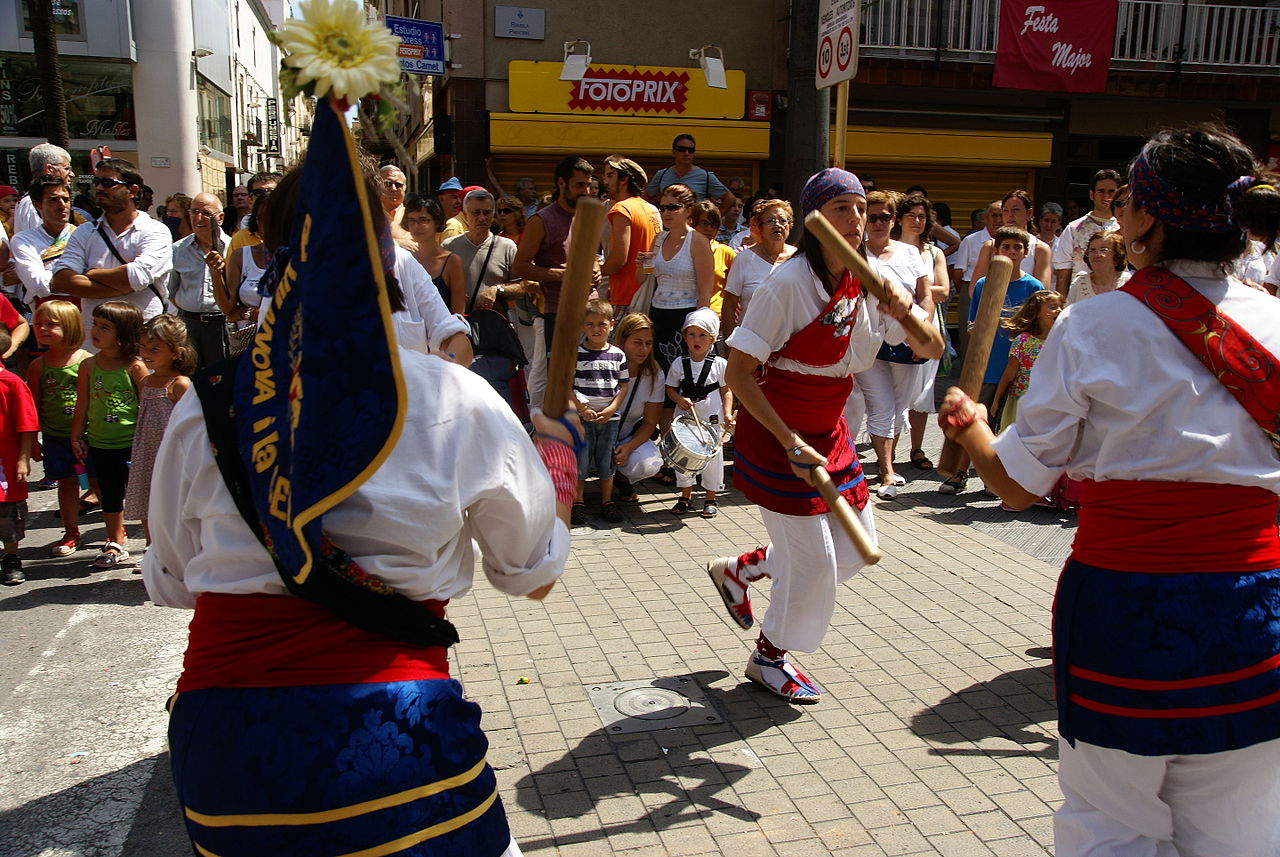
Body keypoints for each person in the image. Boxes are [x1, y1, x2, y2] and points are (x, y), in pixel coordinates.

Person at [142, 95, 576, 856]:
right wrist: (561, 469)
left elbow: (174, 580)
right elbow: (530, 575)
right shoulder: (454, 397)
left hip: (226, 758)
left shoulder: (205, 404)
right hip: (391, 737)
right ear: (390, 259)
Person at [937, 123, 1280, 857]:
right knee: (1245, 830)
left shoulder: (1094, 324)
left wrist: (969, 428)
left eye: (1125, 203)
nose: (1118, 218)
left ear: (1148, 219)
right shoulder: (1277, 321)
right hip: (1256, 609)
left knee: (1110, 825)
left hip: (1128, 610)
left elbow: (1018, 486)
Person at [706, 168, 942, 701]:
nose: (857, 220)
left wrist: (903, 310)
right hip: (777, 432)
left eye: (862, 209)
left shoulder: (876, 279)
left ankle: (742, 569)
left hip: (829, 428)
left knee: (856, 550)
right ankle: (769, 659)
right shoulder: (787, 285)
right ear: (815, 222)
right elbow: (739, 372)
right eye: (841, 209)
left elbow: (931, 349)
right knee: (813, 565)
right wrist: (789, 441)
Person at [940, 226, 1044, 496]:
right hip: (987, 364)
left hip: (1017, 368)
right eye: (1006, 247)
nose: (1011, 252)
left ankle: (994, 478)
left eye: (1017, 248)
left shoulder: (1034, 287)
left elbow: (1037, 327)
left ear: (1026, 252)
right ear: (996, 251)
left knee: (1006, 425)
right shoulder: (984, 284)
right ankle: (959, 473)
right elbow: (973, 324)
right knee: (973, 417)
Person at [853, 191, 932, 498]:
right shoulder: (855, 253)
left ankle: (888, 464)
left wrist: (921, 333)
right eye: (871, 217)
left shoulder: (909, 253)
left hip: (906, 341)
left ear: (894, 219)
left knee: (899, 409)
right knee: (880, 407)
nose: (877, 223)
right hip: (868, 342)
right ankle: (886, 471)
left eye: (884, 217)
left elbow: (925, 295)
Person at [51, 157, 172, 345]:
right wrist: (123, 286)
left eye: (108, 183)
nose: (99, 188)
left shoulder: (155, 231)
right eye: (97, 182)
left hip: (142, 344)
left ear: (132, 191)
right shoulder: (85, 232)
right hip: (95, 346)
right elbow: (61, 281)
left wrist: (91, 274)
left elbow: (136, 277)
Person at [71, 301, 146, 569]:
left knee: (142, 496)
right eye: (95, 324)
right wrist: (77, 436)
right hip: (100, 443)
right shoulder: (88, 365)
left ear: (124, 334)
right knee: (109, 494)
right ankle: (116, 541)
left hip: (132, 445)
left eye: (105, 327)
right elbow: (82, 404)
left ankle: (153, 546)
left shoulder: (135, 367)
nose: (96, 331)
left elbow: (146, 406)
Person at [26, 300, 92, 558]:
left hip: (91, 436)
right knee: (66, 483)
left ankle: (113, 530)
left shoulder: (88, 361)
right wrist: (33, 440)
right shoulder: (38, 366)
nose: (42, 328)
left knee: (100, 484)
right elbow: (32, 407)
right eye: (38, 323)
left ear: (71, 326)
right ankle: (71, 530)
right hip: (56, 437)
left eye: (51, 324)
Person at [513, 156, 597, 355]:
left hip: (592, 312)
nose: (585, 191)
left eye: (588, 185)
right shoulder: (541, 220)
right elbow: (519, 267)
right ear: (561, 183)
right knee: (562, 383)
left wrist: (596, 268)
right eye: (579, 185)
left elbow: (591, 254)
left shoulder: (587, 214)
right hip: (560, 313)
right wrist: (563, 275)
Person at [893, 192, 951, 473]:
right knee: (891, 392)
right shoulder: (888, 248)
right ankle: (887, 454)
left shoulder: (933, 252)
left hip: (926, 325)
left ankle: (916, 448)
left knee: (923, 391)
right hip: (893, 325)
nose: (916, 221)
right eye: (911, 216)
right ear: (899, 220)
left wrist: (915, 291)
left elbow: (944, 290)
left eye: (921, 217)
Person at [124, 314, 193, 546]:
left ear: (175, 352)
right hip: (147, 452)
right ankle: (152, 547)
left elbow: (191, 424)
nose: (146, 353)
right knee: (147, 498)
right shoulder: (145, 382)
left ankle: (175, 548)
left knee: (172, 502)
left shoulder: (180, 384)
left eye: (155, 349)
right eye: (143, 346)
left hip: (172, 453)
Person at [665, 307, 732, 518]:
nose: (696, 339)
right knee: (684, 456)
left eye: (702, 335)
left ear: (712, 339)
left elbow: (727, 390)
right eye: (691, 334)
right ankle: (685, 495)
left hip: (712, 417)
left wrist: (728, 413)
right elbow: (670, 388)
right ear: (685, 337)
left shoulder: (720, 364)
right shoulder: (679, 364)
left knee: (713, 457)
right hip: (686, 418)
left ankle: (710, 497)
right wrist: (678, 399)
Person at [572, 299, 629, 526]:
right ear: (583, 326)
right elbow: (568, 386)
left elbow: (623, 385)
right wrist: (582, 408)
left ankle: (607, 501)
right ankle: (578, 501)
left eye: (602, 324)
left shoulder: (618, 355)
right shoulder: (577, 353)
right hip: (583, 417)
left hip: (609, 417)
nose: (596, 329)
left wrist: (612, 408)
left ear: (612, 325)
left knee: (607, 460)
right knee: (581, 460)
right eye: (590, 324)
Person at [648, 183, 714, 375]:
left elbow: (705, 291)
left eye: (673, 207)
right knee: (659, 373)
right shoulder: (658, 239)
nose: (666, 213)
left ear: (688, 210)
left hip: (686, 315)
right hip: (658, 313)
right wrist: (641, 265)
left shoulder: (698, 241)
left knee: (683, 375)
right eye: (662, 208)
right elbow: (644, 279)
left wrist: (699, 328)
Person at [167, 192, 229, 367]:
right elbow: (171, 290)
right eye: (194, 212)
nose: (198, 218)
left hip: (222, 326)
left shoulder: (234, 248)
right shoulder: (178, 249)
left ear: (220, 218)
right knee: (190, 378)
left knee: (220, 379)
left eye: (206, 213)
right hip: (188, 325)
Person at [720, 198, 795, 340]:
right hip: (750, 341)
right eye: (770, 221)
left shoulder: (799, 260)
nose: (777, 224)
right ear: (759, 227)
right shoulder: (743, 259)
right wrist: (730, 345)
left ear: (790, 225)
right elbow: (729, 306)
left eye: (782, 220)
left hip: (788, 343)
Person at [990, 290, 1063, 433]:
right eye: (1052, 307)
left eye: (1061, 306)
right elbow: (1010, 374)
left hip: (1051, 401)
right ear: (1037, 313)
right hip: (1023, 401)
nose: (1059, 310)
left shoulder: (1063, 339)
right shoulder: (1023, 341)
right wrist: (996, 400)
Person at [610, 312, 665, 501]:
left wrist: (628, 447)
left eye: (648, 343)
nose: (643, 349)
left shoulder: (655, 375)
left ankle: (622, 477)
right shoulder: (606, 366)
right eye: (637, 342)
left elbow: (650, 423)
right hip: (598, 433)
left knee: (650, 464)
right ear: (623, 340)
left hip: (626, 437)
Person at [0, 326, 37, 586]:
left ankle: (11, 557)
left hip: (5, 463)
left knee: (9, 515)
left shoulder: (12, 384)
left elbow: (26, 425)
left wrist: (23, 458)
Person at [9, 175, 81, 309]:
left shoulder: (83, 235)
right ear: (37, 204)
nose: (62, 205)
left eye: (65, 199)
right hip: (46, 314)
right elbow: (37, 285)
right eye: (53, 200)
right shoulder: (24, 240)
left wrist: (51, 276)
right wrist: (82, 276)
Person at [600, 155, 659, 316]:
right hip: (649, 297)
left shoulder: (621, 209)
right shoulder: (652, 210)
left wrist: (596, 272)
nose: (605, 181)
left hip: (625, 299)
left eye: (610, 175)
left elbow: (618, 260)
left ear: (624, 179)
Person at [444, 189, 520, 311]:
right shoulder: (449, 246)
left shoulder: (507, 247)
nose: (482, 218)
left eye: (487, 213)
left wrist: (497, 290)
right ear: (465, 215)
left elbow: (521, 287)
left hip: (494, 324)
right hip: (459, 324)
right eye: (476, 213)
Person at [1053, 169, 1121, 296]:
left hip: (1116, 300)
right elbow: (1062, 275)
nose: (1106, 197)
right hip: (1081, 299)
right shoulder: (1073, 229)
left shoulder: (1124, 228)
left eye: (1111, 191)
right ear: (1092, 194)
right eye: (1101, 191)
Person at [971, 190, 1052, 290]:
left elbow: (1041, 293)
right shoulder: (990, 246)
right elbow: (974, 290)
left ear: (1029, 212)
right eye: (1005, 210)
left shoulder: (1040, 249)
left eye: (1015, 210)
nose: (1009, 215)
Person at [404, 195, 466, 313]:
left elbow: (458, 314)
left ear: (436, 221)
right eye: (411, 221)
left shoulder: (452, 261)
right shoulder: (405, 259)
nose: (416, 226)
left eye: (423, 220)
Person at [644, 134, 731, 205]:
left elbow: (730, 199)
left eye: (690, 150)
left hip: (693, 225)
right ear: (673, 152)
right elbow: (646, 197)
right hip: (667, 225)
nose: (686, 153)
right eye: (682, 149)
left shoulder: (705, 176)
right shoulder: (662, 174)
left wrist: (712, 220)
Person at [12, 144, 74, 234]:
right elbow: (39, 242)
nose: (72, 174)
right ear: (49, 169)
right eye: (67, 168)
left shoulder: (29, 200)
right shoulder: (31, 204)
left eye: (65, 200)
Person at [691, 200, 737, 318]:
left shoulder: (726, 252)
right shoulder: (682, 251)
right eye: (704, 223)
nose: (709, 229)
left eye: (714, 225)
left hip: (716, 318)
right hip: (685, 314)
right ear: (692, 223)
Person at [1066, 230, 1129, 305]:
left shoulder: (1129, 282)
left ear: (1117, 255)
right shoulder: (1079, 283)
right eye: (1092, 250)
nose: (1096, 255)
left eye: (1103, 250)